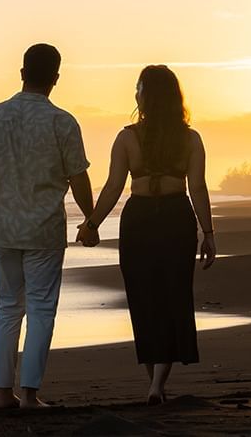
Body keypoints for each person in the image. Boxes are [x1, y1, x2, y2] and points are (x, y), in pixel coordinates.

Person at [0, 43, 99, 409]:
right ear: (56, 79)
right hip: (43, 229)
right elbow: (78, 178)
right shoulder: (62, 122)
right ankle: (29, 394)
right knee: (41, 309)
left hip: (4, 228)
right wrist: (90, 221)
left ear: (22, 72)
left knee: (7, 307)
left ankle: (0, 392)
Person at [77, 65, 215, 405]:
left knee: (144, 301)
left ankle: (153, 382)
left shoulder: (127, 137)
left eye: (138, 88)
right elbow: (196, 187)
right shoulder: (191, 138)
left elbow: (112, 187)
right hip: (176, 217)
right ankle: (158, 385)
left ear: (144, 96)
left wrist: (92, 224)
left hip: (139, 219)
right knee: (174, 297)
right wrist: (208, 232)